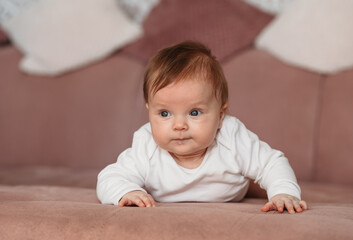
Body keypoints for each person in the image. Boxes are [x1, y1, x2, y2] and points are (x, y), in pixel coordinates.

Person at [96, 41, 308, 213]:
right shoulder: (146, 145)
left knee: (260, 171)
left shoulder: (230, 135)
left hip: (231, 192)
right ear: (149, 109)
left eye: (194, 113)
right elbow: (110, 177)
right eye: (164, 113)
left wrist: (283, 193)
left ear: (220, 116)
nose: (179, 125)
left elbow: (272, 162)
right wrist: (127, 191)